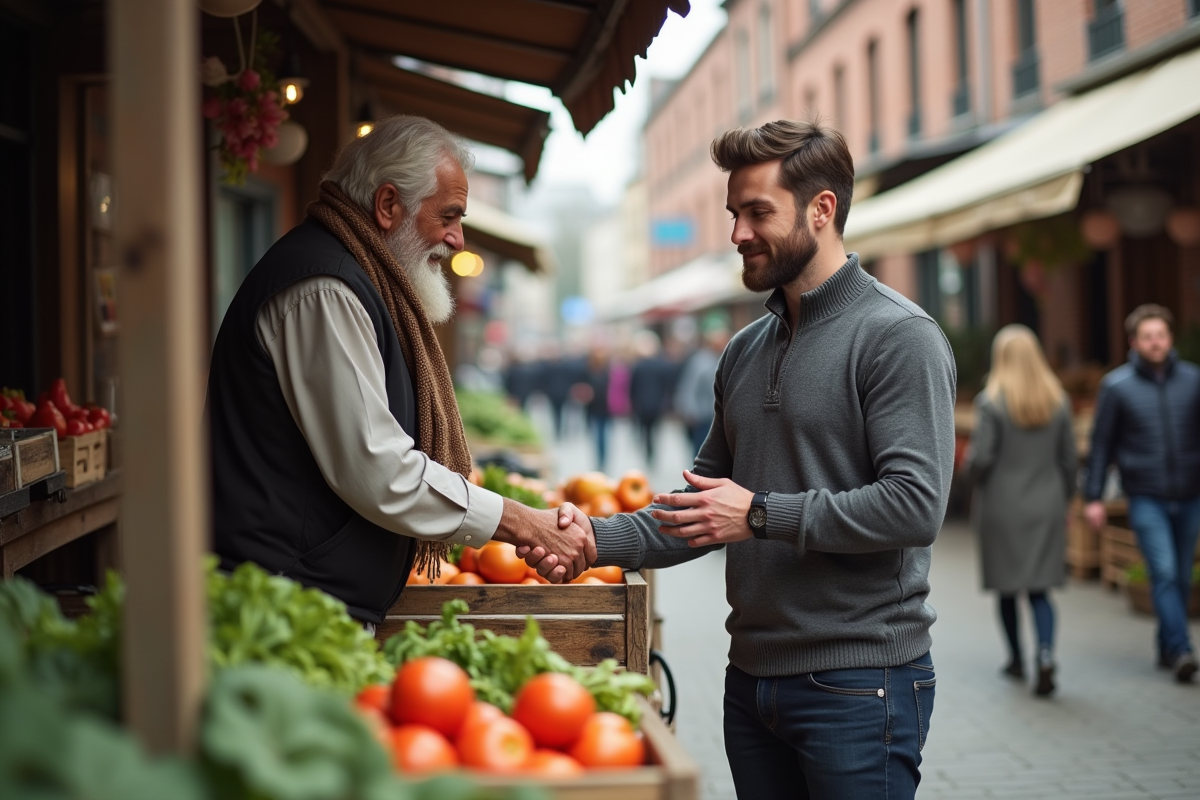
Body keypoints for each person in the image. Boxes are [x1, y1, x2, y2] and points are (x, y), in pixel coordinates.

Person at [528, 119, 956, 799]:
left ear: (823, 210)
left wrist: (760, 514)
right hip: (751, 682)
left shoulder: (899, 337)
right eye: (734, 214)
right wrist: (592, 540)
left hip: (859, 682)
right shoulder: (745, 349)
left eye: (758, 212)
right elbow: (700, 509)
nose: (737, 234)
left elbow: (914, 506)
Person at [206, 115, 592, 632]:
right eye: (449, 216)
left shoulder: (356, 274)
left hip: (305, 601)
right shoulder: (326, 289)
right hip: (282, 609)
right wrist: (522, 521)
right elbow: (378, 468)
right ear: (388, 206)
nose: (457, 240)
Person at [1084, 304, 1200, 683]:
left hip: (1189, 493)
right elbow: (1102, 444)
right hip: (1145, 495)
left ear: (1170, 338)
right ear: (1134, 341)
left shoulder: (1193, 380)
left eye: (1161, 335)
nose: (1156, 342)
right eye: (1148, 336)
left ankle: (1168, 646)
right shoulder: (1116, 386)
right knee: (1164, 572)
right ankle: (1183, 648)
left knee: (1181, 576)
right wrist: (1094, 497)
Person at [965, 325, 1077, 697]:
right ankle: (1045, 655)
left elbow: (982, 459)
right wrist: (1068, 499)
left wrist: (967, 471)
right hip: (1047, 503)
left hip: (1002, 506)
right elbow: (1068, 460)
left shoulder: (991, 402)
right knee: (1041, 589)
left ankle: (1016, 659)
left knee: (1008, 589)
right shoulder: (1058, 400)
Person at [674, 314, 731, 458]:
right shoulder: (700, 361)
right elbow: (689, 388)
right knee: (702, 454)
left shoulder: (728, 357)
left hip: (723, 416)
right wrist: (691, 412)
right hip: (704, 417)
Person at [628, 330, 674, 465]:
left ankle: (648, 452)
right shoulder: (661, 365)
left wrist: (633, 402)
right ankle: (652, 452)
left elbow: (633, 387)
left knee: (645, 430)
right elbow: (667, 386)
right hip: (657, 404)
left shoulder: (638, 366)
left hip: (642, 404)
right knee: (654, 430)